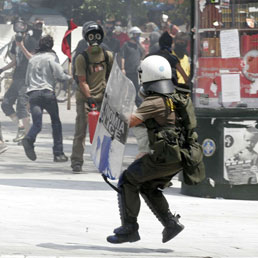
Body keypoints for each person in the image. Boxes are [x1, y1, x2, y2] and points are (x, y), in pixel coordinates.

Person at [107, 55, 185, 244]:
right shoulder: (174, 96)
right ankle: (170, 223)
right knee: (148, 186)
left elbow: (130, 121)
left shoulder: (155, 101)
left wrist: (114, 106)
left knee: (127, 180)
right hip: (179, 156)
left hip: (164, 156)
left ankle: (129, 228)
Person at [70, 21, 113, 173]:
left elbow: (111, 77)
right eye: (91, 36)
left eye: (97, 36)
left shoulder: (108, 56)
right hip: (85, 99)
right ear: (86, 38)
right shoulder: (82, 58)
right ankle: (76, 161)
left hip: (103, 99)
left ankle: (104, 160)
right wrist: (89, 98)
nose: (94, 39)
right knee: (80, 131)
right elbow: (81, 81)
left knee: (104, 132)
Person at [21, 35, 71, 162]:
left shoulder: (32, 59)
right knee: (56, 123)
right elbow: (60, 74)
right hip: (48, 94)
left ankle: (29, 139)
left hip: (33, 95)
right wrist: (70, 78)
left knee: (37, 124)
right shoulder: (51, 58)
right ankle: (58, 153)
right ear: (51, 46)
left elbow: (27, 80)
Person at [0, 17, 43, 143]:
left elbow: (32, 58)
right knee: (6, 103)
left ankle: (28, 136)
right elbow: (15, 61)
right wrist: (2, 69)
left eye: (22, 27)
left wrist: (22, 45)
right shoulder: (15, 42)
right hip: (17, 76)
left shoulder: (31, 41)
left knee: (22, 106)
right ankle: (20, 127)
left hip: (28, 77)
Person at [120, 26, 145, 107]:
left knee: (138, 89)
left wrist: (141, 45)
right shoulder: (126, 45)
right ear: (131, 35)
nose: (137, 36)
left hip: (138, 71)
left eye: (138, 34)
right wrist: (123, 68)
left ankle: (139, 106)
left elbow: (143, 55)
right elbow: (122, 57)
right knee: (129, 89)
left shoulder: (138, 46)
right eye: (136, 34)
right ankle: (127, 106)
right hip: (129, 71)